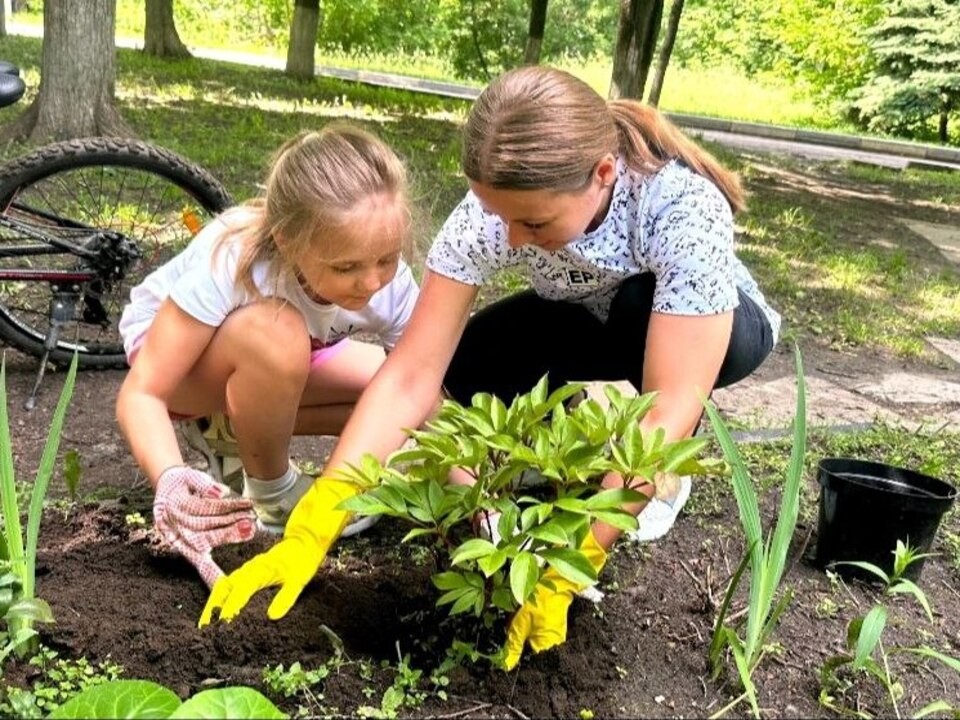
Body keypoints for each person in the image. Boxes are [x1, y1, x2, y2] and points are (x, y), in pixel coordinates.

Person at [199, 66, 780, 670]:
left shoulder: (681, 207)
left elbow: (666, 407)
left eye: (532, 223)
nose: (510, 239)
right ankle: (521, 475)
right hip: (578, 312)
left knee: (641, 326)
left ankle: (659, 480)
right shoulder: (492, 213)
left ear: (603, 175)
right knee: (464, 376)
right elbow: (409, 377)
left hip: (715, 328)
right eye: (497, 216)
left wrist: (572, 563)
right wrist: (319, 517)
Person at [115, 125, 419, 589]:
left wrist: (480, 501)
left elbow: (422, 390)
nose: (373, 281)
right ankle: (272, 493)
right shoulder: (234, 258)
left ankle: (231, 428)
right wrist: (170, 478)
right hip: (181, 361)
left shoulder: (386, 278)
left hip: (286, 353)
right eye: (347, 267)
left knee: (389, 386)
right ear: (288, 241)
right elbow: (142, 393)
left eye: (387, 259)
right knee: (277, 335)